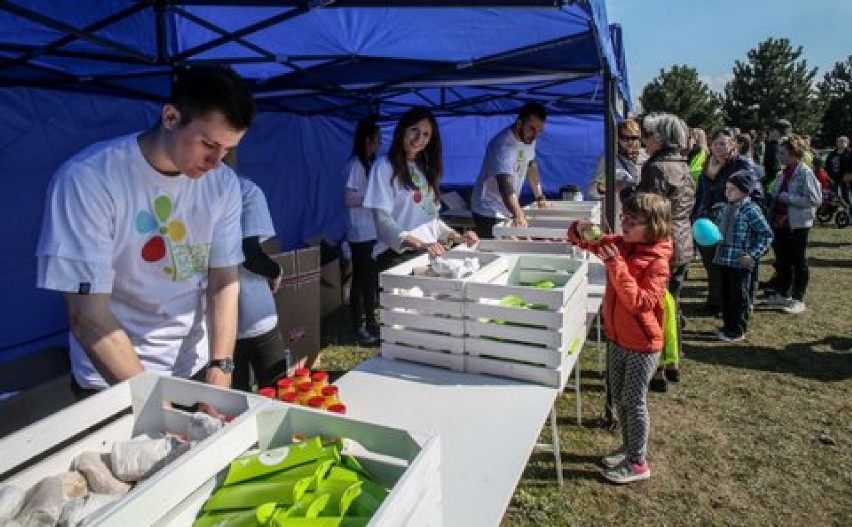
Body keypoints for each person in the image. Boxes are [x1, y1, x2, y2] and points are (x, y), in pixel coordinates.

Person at [36, 66, 255, 395]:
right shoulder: (88, 180)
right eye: (209, 144)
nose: (216, 161)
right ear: (170, 117)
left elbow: (224, 278)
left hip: (193, 368)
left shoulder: (223, 184)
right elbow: (88, 316)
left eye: (228, 150)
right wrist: (154, 403)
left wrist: (220, 368)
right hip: (113, 379)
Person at [567, 192, 673, 484]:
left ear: (654, 226)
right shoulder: (623, 245)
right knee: (618, 398)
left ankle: (638, 462)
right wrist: (579, 228)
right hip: (617, 338)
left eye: (633, 220)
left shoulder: (657, 262)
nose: (624, 223)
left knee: (633, 402)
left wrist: (617, 267)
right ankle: (628, 448)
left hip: (642, 345)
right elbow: (586, 242)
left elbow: (639, 302)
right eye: (624, 216)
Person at [363, 107, 478, 274]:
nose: (419, 138)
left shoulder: (423, 169)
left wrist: (457, 237)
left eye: (426, 134)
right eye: (414, 130)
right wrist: (419, 243)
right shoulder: (384, 166)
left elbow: (431, 219)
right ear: (403, 130)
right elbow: (383, 222)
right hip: (396, 258)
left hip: (426, 255)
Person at [636, 113, 694, 391]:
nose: (643, 141)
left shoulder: (657, 168)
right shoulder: (682, 163)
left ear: (658, 138)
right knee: (673, 305)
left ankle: (657, 369)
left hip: (662, 245)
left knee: (656, 308)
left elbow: (646, 211)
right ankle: (673, 363)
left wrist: (626, 194)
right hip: (682, 242)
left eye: (646, 136)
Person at [233, 172, 290, 391]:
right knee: (275, 389)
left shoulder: (190, 190)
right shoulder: (247, 190)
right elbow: (250, 255)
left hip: (213, 319)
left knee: (233, 402)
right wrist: (276, 271)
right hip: (253, 314)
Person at [692, 129, 752, 315]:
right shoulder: (708, 164)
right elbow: (702, 193)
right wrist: (696, 215)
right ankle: (714, 301)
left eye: (723, 143)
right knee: (711, 265)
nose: (719, 147)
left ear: (733, 144)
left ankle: (728, 305)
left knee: (726, 266)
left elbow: (745, 191)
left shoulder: (739, 164)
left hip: (729, 220)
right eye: (716, 143)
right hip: (705, 221)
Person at [711, 171, 773, 341]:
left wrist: (752, 254)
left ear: (744, 191)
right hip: (724, 258)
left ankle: (737, 329)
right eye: (726, 189)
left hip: (740, 262)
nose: (727, 193)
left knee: (739, 297)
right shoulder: (724, 208)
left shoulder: (750, 210)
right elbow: (717, 230)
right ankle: (727, 325)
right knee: (726, 294)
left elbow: (766, 234)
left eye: (732, 189)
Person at [471, 102, 548, 238]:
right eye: (532, 128)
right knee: (502, 251)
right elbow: (504, 184)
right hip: (488, 210)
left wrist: (540, 197)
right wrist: (518, 214)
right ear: (519, 123)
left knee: (518, 244)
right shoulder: (502, 145)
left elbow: (531, 166)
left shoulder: (529, 139)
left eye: (539, 131)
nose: (535, 135)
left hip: (506, 208)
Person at [764, 136, 822, 314]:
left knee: (798, 260)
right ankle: (784, 292)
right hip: (780, 222)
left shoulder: (805, 172)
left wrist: (788, 198)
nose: (779, 156)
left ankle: (798, 298)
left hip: (797, 224)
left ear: (794, 154)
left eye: (783, 153)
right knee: (783, 259)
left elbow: (815, 199)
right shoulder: (784, 172)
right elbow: (776, 192)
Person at [344, 118, 382, 346]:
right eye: (377, 139)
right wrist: (373, 199)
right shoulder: (355, 165)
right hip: (360, 233)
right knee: (360, 281)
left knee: (370, 280)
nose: (379, 144)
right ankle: (358, 326)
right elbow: (348, 198)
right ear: (367, 140)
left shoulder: (370, 164)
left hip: (372, 231)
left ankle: (371, 321)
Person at [588, 119, 642, 233]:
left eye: (634, 138)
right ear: (617, 138)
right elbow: (592, 191)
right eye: (625, 138)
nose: (630, 142)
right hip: (618, 221)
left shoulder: (645, 159)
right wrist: (604, 187)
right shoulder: (609, 159)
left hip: (641, 220)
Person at [762, 119, 792, 192]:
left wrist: (762, 183)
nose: (769, 133)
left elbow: (775, 169)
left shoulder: (774, 146)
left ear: (776, 132)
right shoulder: (785, 147)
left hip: (771, 187)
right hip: (780, 185)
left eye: (771, 131)